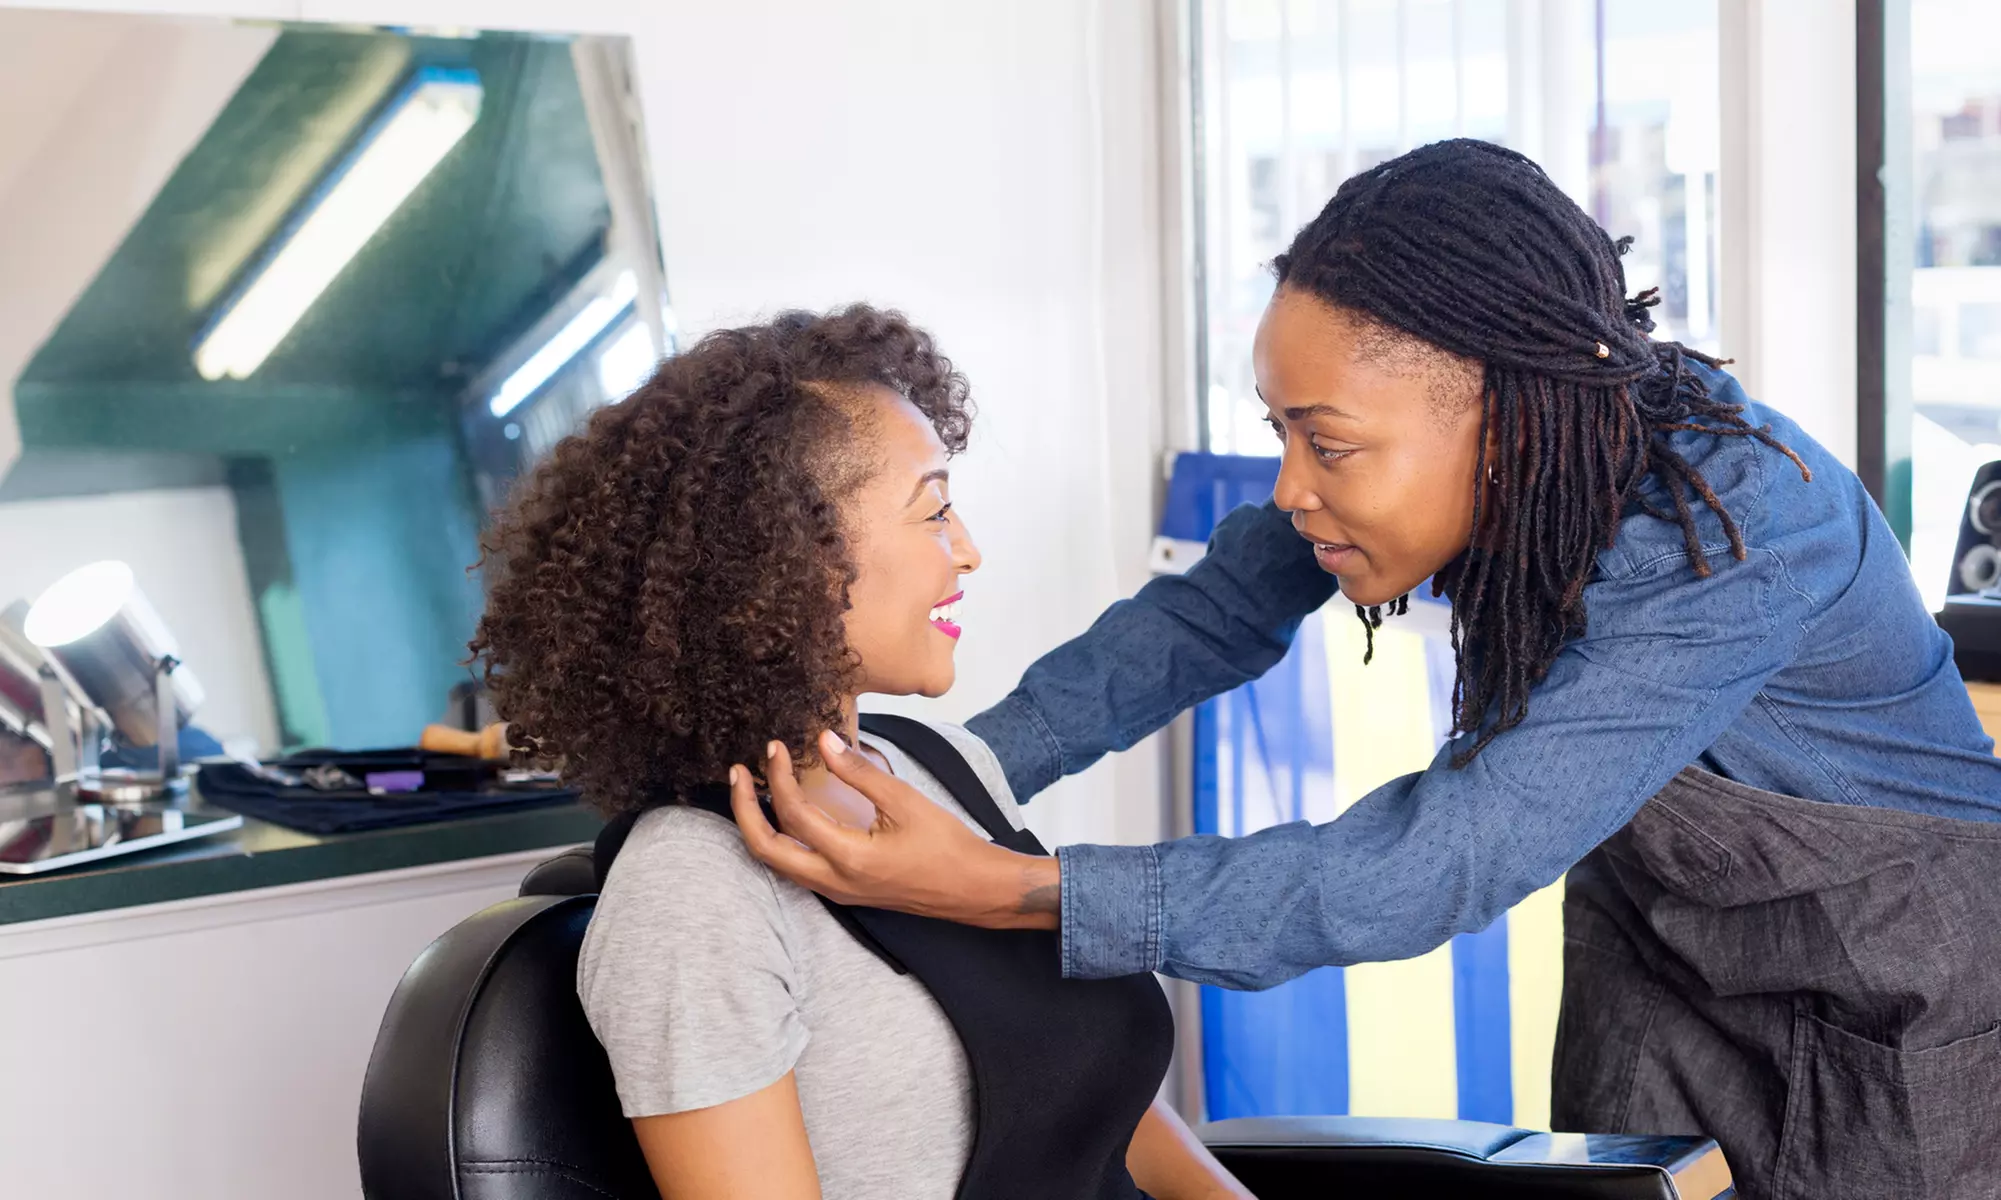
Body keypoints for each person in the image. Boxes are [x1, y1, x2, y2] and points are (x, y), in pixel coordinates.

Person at [730, 141, 2001, 1200]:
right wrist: (943, 773)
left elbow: (1442, 857)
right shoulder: (1486, 454)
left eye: (1326, 443)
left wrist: (1009, 889)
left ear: (1501, 414)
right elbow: (1205, 618)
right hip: (1664, 963)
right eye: (1281, 433)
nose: (1292, 489)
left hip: (1893, 990)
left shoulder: (1736, 529)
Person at [470, 306, 1250, 1200]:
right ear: (788, 557)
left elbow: (1107, 1103)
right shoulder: (692, 892)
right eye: (934, 512)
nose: (968, 552)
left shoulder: (940, 769)